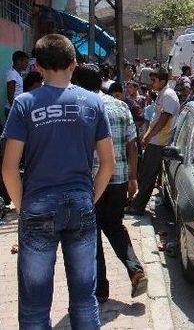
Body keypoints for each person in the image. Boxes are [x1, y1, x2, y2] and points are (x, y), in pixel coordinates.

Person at [1, 34, 114, 328]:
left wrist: (21, 205)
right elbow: (108, 163)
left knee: (35, 305)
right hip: (81, 202)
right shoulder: (93, 102)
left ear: (37, 66)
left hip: (38, 204)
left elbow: (9, 168)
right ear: (74, 63)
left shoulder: (24, 104)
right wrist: (91, 198)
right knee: (84, 298)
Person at [72, 64, 147, 303]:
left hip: (90, 182)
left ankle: (101, 290)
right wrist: (133, 177)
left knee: (91, 233)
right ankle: (135, 269)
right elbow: (132, 146)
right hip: (118, 179)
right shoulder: (120, 105)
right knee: (114, 226)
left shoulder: (78, 107)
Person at [127, 68, 180, 215]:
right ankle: (137, 203)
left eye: (154, 80)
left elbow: (163, 120)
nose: (152, 83)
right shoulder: (162, 94)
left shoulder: (168, 95)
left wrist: (149, 135)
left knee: (148, 176)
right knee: (145, 174)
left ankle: (137, 207)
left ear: (162, 81)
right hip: (155, 140)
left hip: (159, 142)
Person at [5, 50, 29, 118]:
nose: (27, 65)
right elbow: (10, 95)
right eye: (26, 62)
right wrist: (16, 110)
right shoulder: (12, 74)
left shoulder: (18, 74)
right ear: (19, 61)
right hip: (12, 110)